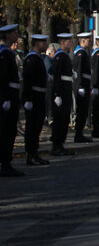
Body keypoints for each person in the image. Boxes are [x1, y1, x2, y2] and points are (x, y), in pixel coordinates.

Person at [22, 34, 50, 166]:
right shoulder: (31, 58)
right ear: (37, 43)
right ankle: (31, 154)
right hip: (33, 96)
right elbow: (27, 79)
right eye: (44, 42)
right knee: (32, 127)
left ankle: (34, 153)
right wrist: (27, 99)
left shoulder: (37, 58)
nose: (46, 45)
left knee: (37, 126)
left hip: (39, 96)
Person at [0, 24, 24, 176]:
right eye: (14, 33)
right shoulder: (4, 53)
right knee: (6, 131)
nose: (17, 35)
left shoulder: (8, 52)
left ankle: (6, 162)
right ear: (7, 35)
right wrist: (5, 98)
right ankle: (5, 163)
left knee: (10, 130)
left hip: (11, 95)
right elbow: (2, 77)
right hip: (7, 96)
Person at [50, 33, 76, 156]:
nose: (71, 43)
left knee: (64, 118)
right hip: (61, 91)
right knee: (59, 120)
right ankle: (56, 145)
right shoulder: (59, 56)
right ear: (63, 42)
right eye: (69, 41)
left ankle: (60, 144)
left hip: (66, 90)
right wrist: (57, 94)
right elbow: (56, 76)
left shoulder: (64, 56)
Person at [72, 32, 93, 143]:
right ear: (83, 41)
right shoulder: (80, 53)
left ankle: (80, 133)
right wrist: (80, 85)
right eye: (88, 40)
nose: (90, 42)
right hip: (81, 84)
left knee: (83, 110)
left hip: (84, 83)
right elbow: (78, 70)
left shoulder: (83, 52)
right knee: (81, 110)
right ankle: (78, 134)